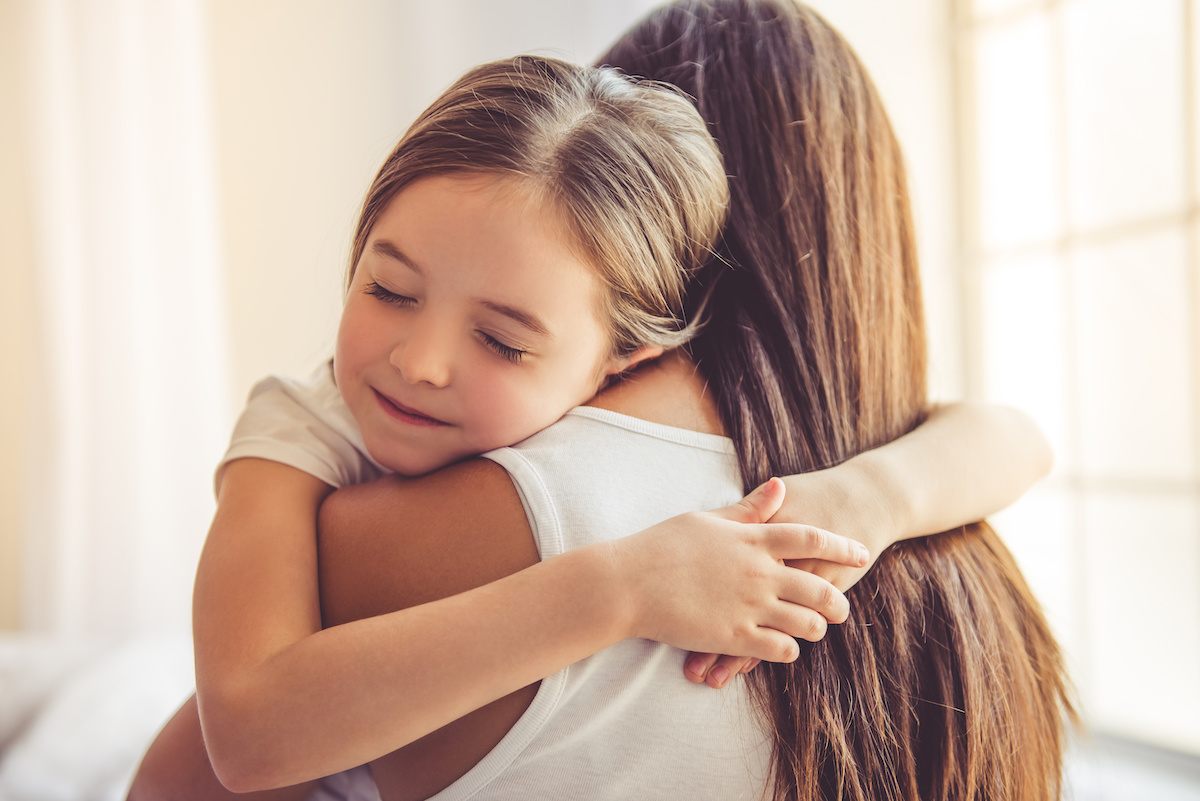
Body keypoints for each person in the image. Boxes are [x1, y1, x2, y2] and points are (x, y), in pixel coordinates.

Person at [129, 8, 1062, 800]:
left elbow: (1020, 435)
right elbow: (234, 737)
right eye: (388, 288)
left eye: (503, 338)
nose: (419, 363)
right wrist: (622, 585)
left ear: (626, 353)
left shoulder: (843, 478)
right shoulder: (302, 430)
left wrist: (863, 503)